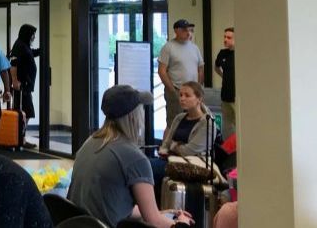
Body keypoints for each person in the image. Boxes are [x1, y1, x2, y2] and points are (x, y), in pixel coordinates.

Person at [68, 85, 193, 228]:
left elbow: (110, 205)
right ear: (133, 117)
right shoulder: (134, 157)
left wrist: (157, 212)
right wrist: (181, 223)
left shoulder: (90, 142)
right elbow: (154, 222)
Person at [150, 82, 215, 203]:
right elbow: (166, 144)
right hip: (171, 159)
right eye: (180, 95)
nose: (182, 99)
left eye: (187, 95)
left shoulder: (207, 123)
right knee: (143, 165)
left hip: (191, 164)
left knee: (149, 168)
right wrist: (173, 148)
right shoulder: (179, 118)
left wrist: (174, 146)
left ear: (199, 99)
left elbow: (188, 151)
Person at [158, 19, 205, 127]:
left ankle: (188, 143)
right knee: (174, 124)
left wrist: (198, 87)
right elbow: (162, 71)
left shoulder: (194, 48)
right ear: (176, 31)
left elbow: (200, 68)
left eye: (190, 30)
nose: (188, 32)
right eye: (184, 30)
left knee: (194, 121)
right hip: (177, 90)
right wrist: (172, 90)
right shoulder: (168, 47)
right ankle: (169, 144)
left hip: (193, 92)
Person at [8, 24, 41, 149]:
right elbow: (13, 64)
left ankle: (20, 138)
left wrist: (42, 50)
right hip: (21, 87)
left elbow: (30, 53)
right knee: (26, 112)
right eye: (33, 34)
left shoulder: (24, 46)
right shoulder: (20, 45)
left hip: (25, 86)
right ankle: (20, 138)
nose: (34, 37)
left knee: (26, 112)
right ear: (28, 34)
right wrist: (15, 81)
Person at [214, 27, 236, 137]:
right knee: (227, 126)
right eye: (224, 37)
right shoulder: (222, 53)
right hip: (225, 96)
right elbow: (216, 67)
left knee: (238, 124)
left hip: (236, 97)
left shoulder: (240, 54)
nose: (225, 39)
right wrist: (224, 76)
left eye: (229, 37)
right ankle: (228, 150)